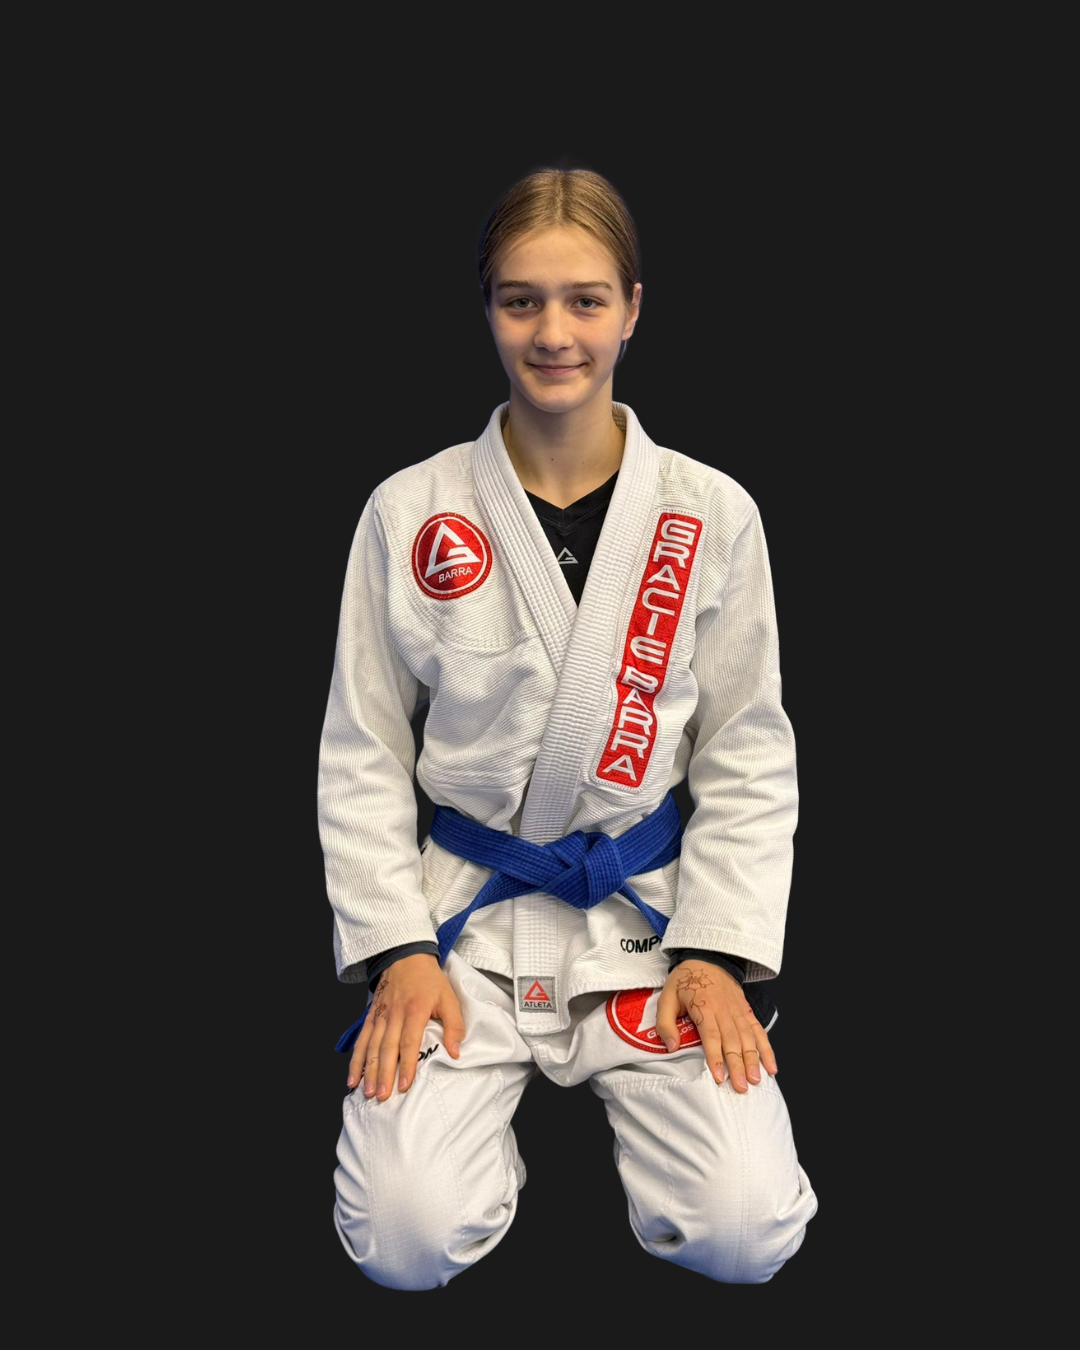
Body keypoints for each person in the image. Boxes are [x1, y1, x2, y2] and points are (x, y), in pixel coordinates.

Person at [318, 167, 818, 1290]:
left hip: (644, 919)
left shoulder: (709, 512)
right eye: (521, 300)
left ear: (634, 309)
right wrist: (396, 951)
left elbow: (747, 748)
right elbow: (362, 753)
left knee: (749, 1233)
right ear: (488, 309)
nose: (554, 333)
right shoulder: (412, 510)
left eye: (586, 300)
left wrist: (718, 952)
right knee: (402, 1240)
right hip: (468, 922)